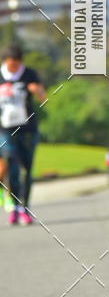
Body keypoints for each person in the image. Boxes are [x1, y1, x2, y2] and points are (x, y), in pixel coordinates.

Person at [0, 44, 47, 226]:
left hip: (28, 128)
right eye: (10, 65)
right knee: (11, 163)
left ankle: (25, 208)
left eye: (16, 65)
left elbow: (44, 97)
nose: (13, 68)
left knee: (27, 168)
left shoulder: (29, 74)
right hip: (5, 128)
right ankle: (14, 205)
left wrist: (37, 91)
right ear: (5, 61)